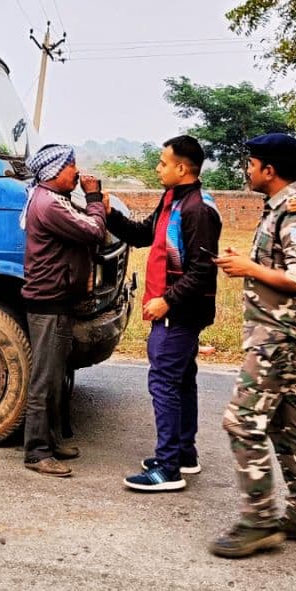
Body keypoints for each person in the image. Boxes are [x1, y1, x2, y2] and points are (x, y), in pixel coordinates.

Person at [209, 132, 296, 557]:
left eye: (251, 164)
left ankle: (258, 521)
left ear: (269, 170)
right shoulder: (278, 209)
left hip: (281, 337)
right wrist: (249, 263)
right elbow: (280, 266)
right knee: (283, 424)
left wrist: (247, 268)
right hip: (274, 333)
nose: (247, 170)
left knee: (242, 421)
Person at [104, 135, 221, 492]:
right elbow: (143, 235)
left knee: (164, 383)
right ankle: (184, 454)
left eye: (163, 163)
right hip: (171, 309)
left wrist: (167, 301)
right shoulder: (173, 199)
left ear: (182, 168)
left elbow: (202, 271)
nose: (158, 168)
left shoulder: (197, 209)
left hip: (179, 312)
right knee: (181, 381)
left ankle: (168, 468)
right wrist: (109, 214)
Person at [20, 143, 107, 477]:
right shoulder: (50, 204)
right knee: (45, 379)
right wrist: (95, 198)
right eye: (72, 165)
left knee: (56, 377)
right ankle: (36, 452)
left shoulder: (54, 199)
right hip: (49, 302)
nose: (77, 171)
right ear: (55, 170)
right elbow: (94, 231)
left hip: (56, 300)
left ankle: (51, 441)